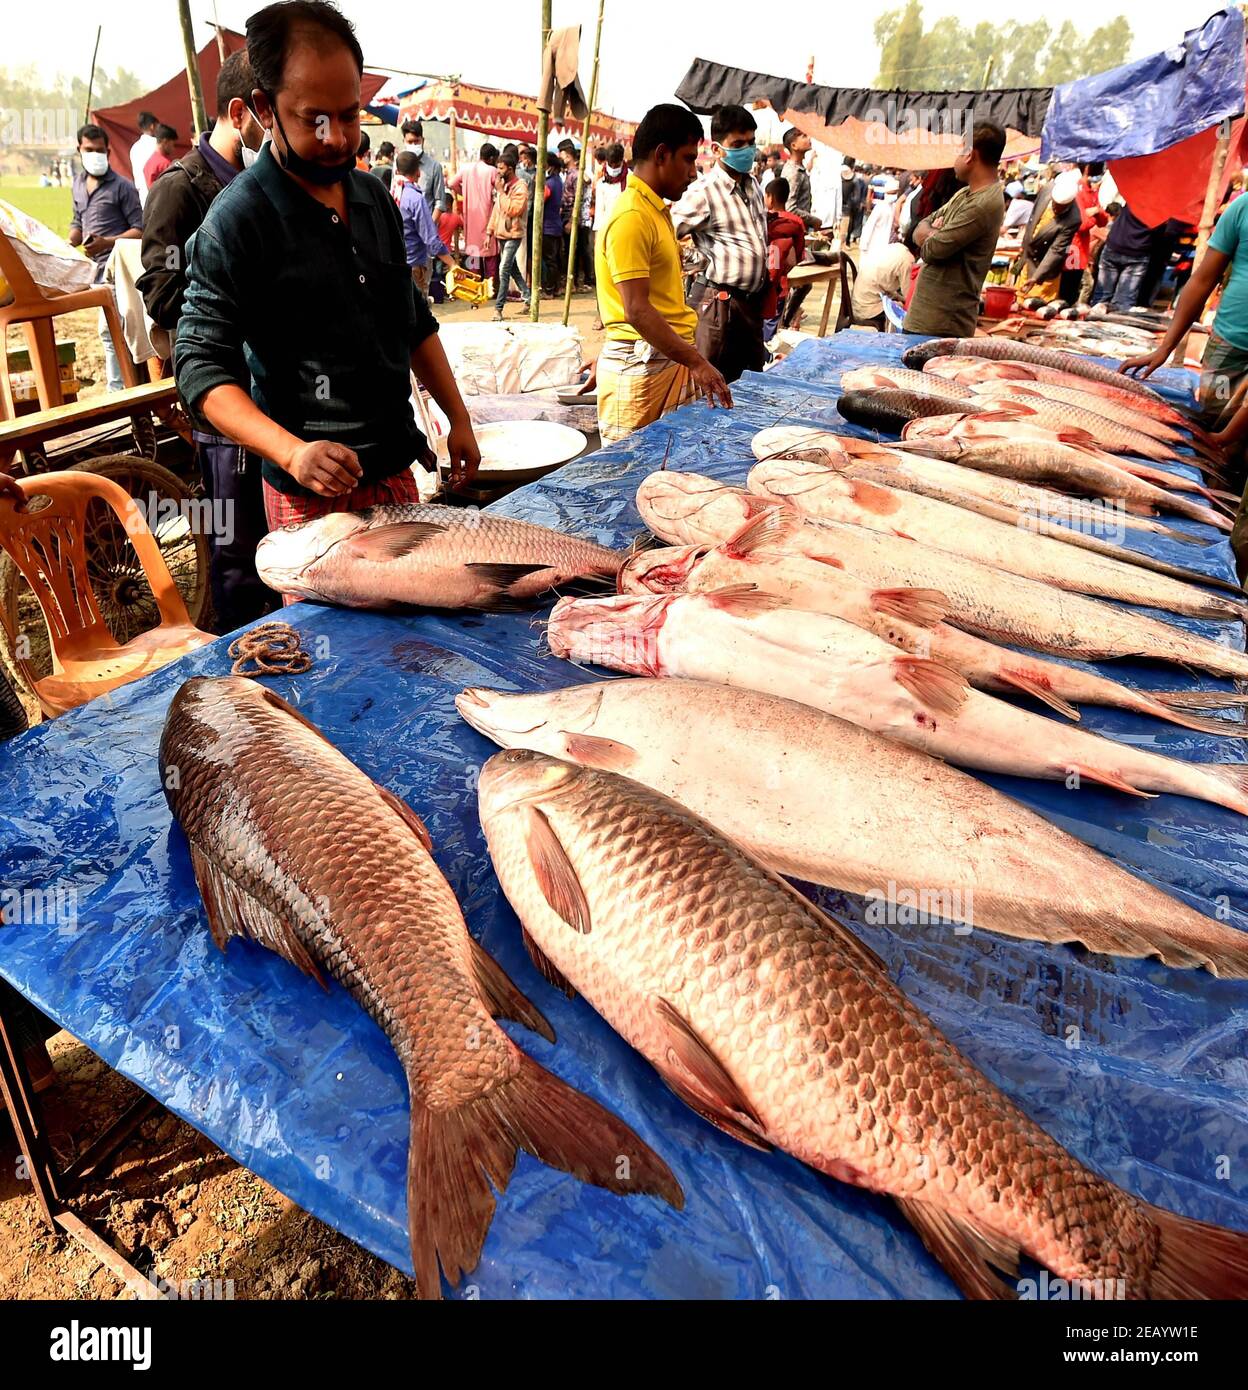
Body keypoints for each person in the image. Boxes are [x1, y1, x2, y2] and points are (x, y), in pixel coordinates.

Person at [174, 0, 480, 534]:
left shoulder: (373, 198)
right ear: (265, 110)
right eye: (313, 119)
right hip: (310, 498)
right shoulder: (239, 221)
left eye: (348, 115)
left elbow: (415, 323)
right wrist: (292, 452)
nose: (337, 137)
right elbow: (201, 369)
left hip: (395, 473)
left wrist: (458, 418)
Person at [138, 50, 272, 632]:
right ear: (240, 112)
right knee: (235, 547)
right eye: (268, 113)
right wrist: (230, 294)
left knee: (273, 541)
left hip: (267, 392)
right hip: (220, 400)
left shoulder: (257, 184)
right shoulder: (180, 189)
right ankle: (239, 666)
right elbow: (161, 297)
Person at [590, 102, 731, 442]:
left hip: (661, 359)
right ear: (662, 154)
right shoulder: (633, 217)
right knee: (632, 478)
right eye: (688, 159)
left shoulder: (655, 211)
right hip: (642, 369)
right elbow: (636, 309)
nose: (693, 172)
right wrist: (697, 362)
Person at [1122, 188, 1248, 433]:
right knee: (1212, 422)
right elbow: (1202, 280)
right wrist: (1165, 347)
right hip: (1228, 351)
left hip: (1229, 346)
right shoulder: (1242, 208)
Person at [672, 103, 769, 384]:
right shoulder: (704, 192)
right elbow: (664, 232)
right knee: (709, 384)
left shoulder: (754, 187)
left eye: (751, 143)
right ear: (717, 149)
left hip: (750, 306)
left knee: (749, 385)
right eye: (738, 144)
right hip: (719, 304)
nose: (748, 150)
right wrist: (696, 261)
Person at [903, 122, 1006, 338]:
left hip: (942, 325)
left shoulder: (983, 204)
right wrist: (932, 232)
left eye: (959, 150)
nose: (956, 158)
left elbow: (932, 250)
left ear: (970, 154)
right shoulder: (965, 194)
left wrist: (931, 234)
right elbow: (918, 228)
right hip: (927, 320)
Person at [68, 123, 142, 394]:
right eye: (89, 150)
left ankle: (118, 391)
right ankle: (125, 388)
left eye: (100, 151)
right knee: (113, 333)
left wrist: (107, 243)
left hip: (119, 271)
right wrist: (67, 243)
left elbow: (141, 229)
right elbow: (78, 222)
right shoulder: (77, 184)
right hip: (94, 273)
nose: (95, 155)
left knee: (111, 332)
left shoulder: (123, 187)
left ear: (108, 151)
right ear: (80, 150)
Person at [1015, 167, 1082, 305]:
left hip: (1044, 269)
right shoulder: (1047, 190)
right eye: (1055, 205)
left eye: (1061, 207)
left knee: (1037, 306)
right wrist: (1024, 245)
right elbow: (1033, 217)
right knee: (1018, 300)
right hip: (1028, 258)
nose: (1056, 209)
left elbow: (1056, 251)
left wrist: (1036, 277)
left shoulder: (1073, 219)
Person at [394, 149, 453, 294]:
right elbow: (430, 238)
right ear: (418, 172)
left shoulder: (393, 193)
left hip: (396, 263)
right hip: (414, 263)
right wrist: (452, 263)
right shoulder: (415, 199)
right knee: (418, 310)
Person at [487, 149, 531, 320]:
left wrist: (501, 193)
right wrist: (489, 232)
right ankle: (529, 297)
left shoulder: (520, 187)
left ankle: (498, 309)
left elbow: (514, 210)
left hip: (513, 234)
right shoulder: (504, 187)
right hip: (501, 235)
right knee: (512, 269)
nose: (498, 172)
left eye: (501, 169)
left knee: (503, 269)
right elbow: (497, 211)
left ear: (511, 169)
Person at [1089, 203, 1157, 311]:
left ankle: (1094, 318)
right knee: (1123, 302)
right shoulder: (1162, 209)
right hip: (1137, 251)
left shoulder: (1134, 195)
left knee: (1101, 298)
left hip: (1116, 245)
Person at [449, 142, 499, 286]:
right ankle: (490, 287)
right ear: (491, 158)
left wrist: (463, 193)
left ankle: (475, 285)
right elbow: (500, 191)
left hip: (470, 218)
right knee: (490, 255)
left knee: (473, 253)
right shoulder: (492, 171)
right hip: (488, 217)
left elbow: (452, 183)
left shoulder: (466, 169)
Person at [762, 177, 805, 341]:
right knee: (770, 332)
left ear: (770, 197)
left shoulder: (762, 221)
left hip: (757, 284)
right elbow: (799, 256)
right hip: (780, 285)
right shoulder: (796, 222)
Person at [850, 237, 915, 330]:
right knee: (905, 313)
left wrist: (898, 297)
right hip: (868, 309)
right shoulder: (908, 260)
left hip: (859, 303)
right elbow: (910, 299)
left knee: (900, 303)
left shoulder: (896, 247)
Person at [780, 127, 820, 231]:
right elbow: (790, 208)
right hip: (794, 229)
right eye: (804, 136)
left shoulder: (799, 169)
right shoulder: (794, 172)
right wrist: (814, 220)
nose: (809, 138)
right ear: (794, 146)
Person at [400, 118, 445, 211]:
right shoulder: (398, 165)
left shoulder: (434, 167)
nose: (413, 145)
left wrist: (429, 224)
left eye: (416, 141)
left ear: (422, 140)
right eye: (409, 142)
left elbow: (440, 202)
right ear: (404, 141)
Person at [542, 152, 565, 294]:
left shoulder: (549, 183)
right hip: (556, 224)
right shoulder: (558, 181)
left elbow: (542, 199)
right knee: (555, 258)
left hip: (548, 226)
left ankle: (550, 289)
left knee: (549, 260)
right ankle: (555, 287)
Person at [129, 110, 159, 205]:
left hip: (142, 196)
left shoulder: (134, 148)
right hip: (158, 194)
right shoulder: (157, 145)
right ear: (152, 126)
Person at [840, 157, 867, 244]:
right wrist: (855, 204)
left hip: (838, 204)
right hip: (849, 205)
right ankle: (846, 241)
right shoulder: (854, 178)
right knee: (848, 224)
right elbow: (857, 195)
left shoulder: (837, 173)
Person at [143, 125, 179, 189]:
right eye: (173, 144)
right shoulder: (165, 164)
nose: (173, 148)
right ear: (165, 142)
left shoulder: (148, 162)